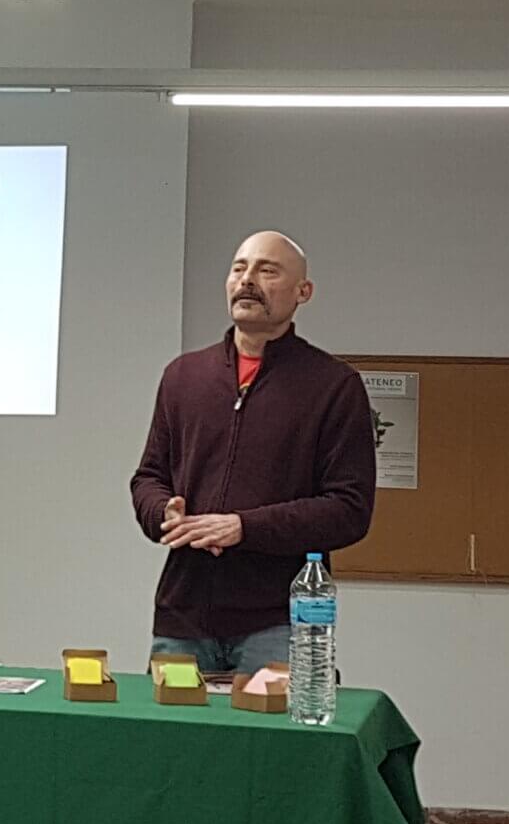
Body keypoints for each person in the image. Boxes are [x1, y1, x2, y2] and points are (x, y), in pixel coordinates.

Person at [130, 231, 374, 675]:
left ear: (303, 292)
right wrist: (162, 512)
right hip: (181, 617)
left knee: (279, 724)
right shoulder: (184, 376)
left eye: (268, 270)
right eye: (239, 268)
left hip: (278, 622)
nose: (247, 280)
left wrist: (244, 527)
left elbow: (349, 509)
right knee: (171, 724)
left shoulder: (333, 386)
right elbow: (148, 477)